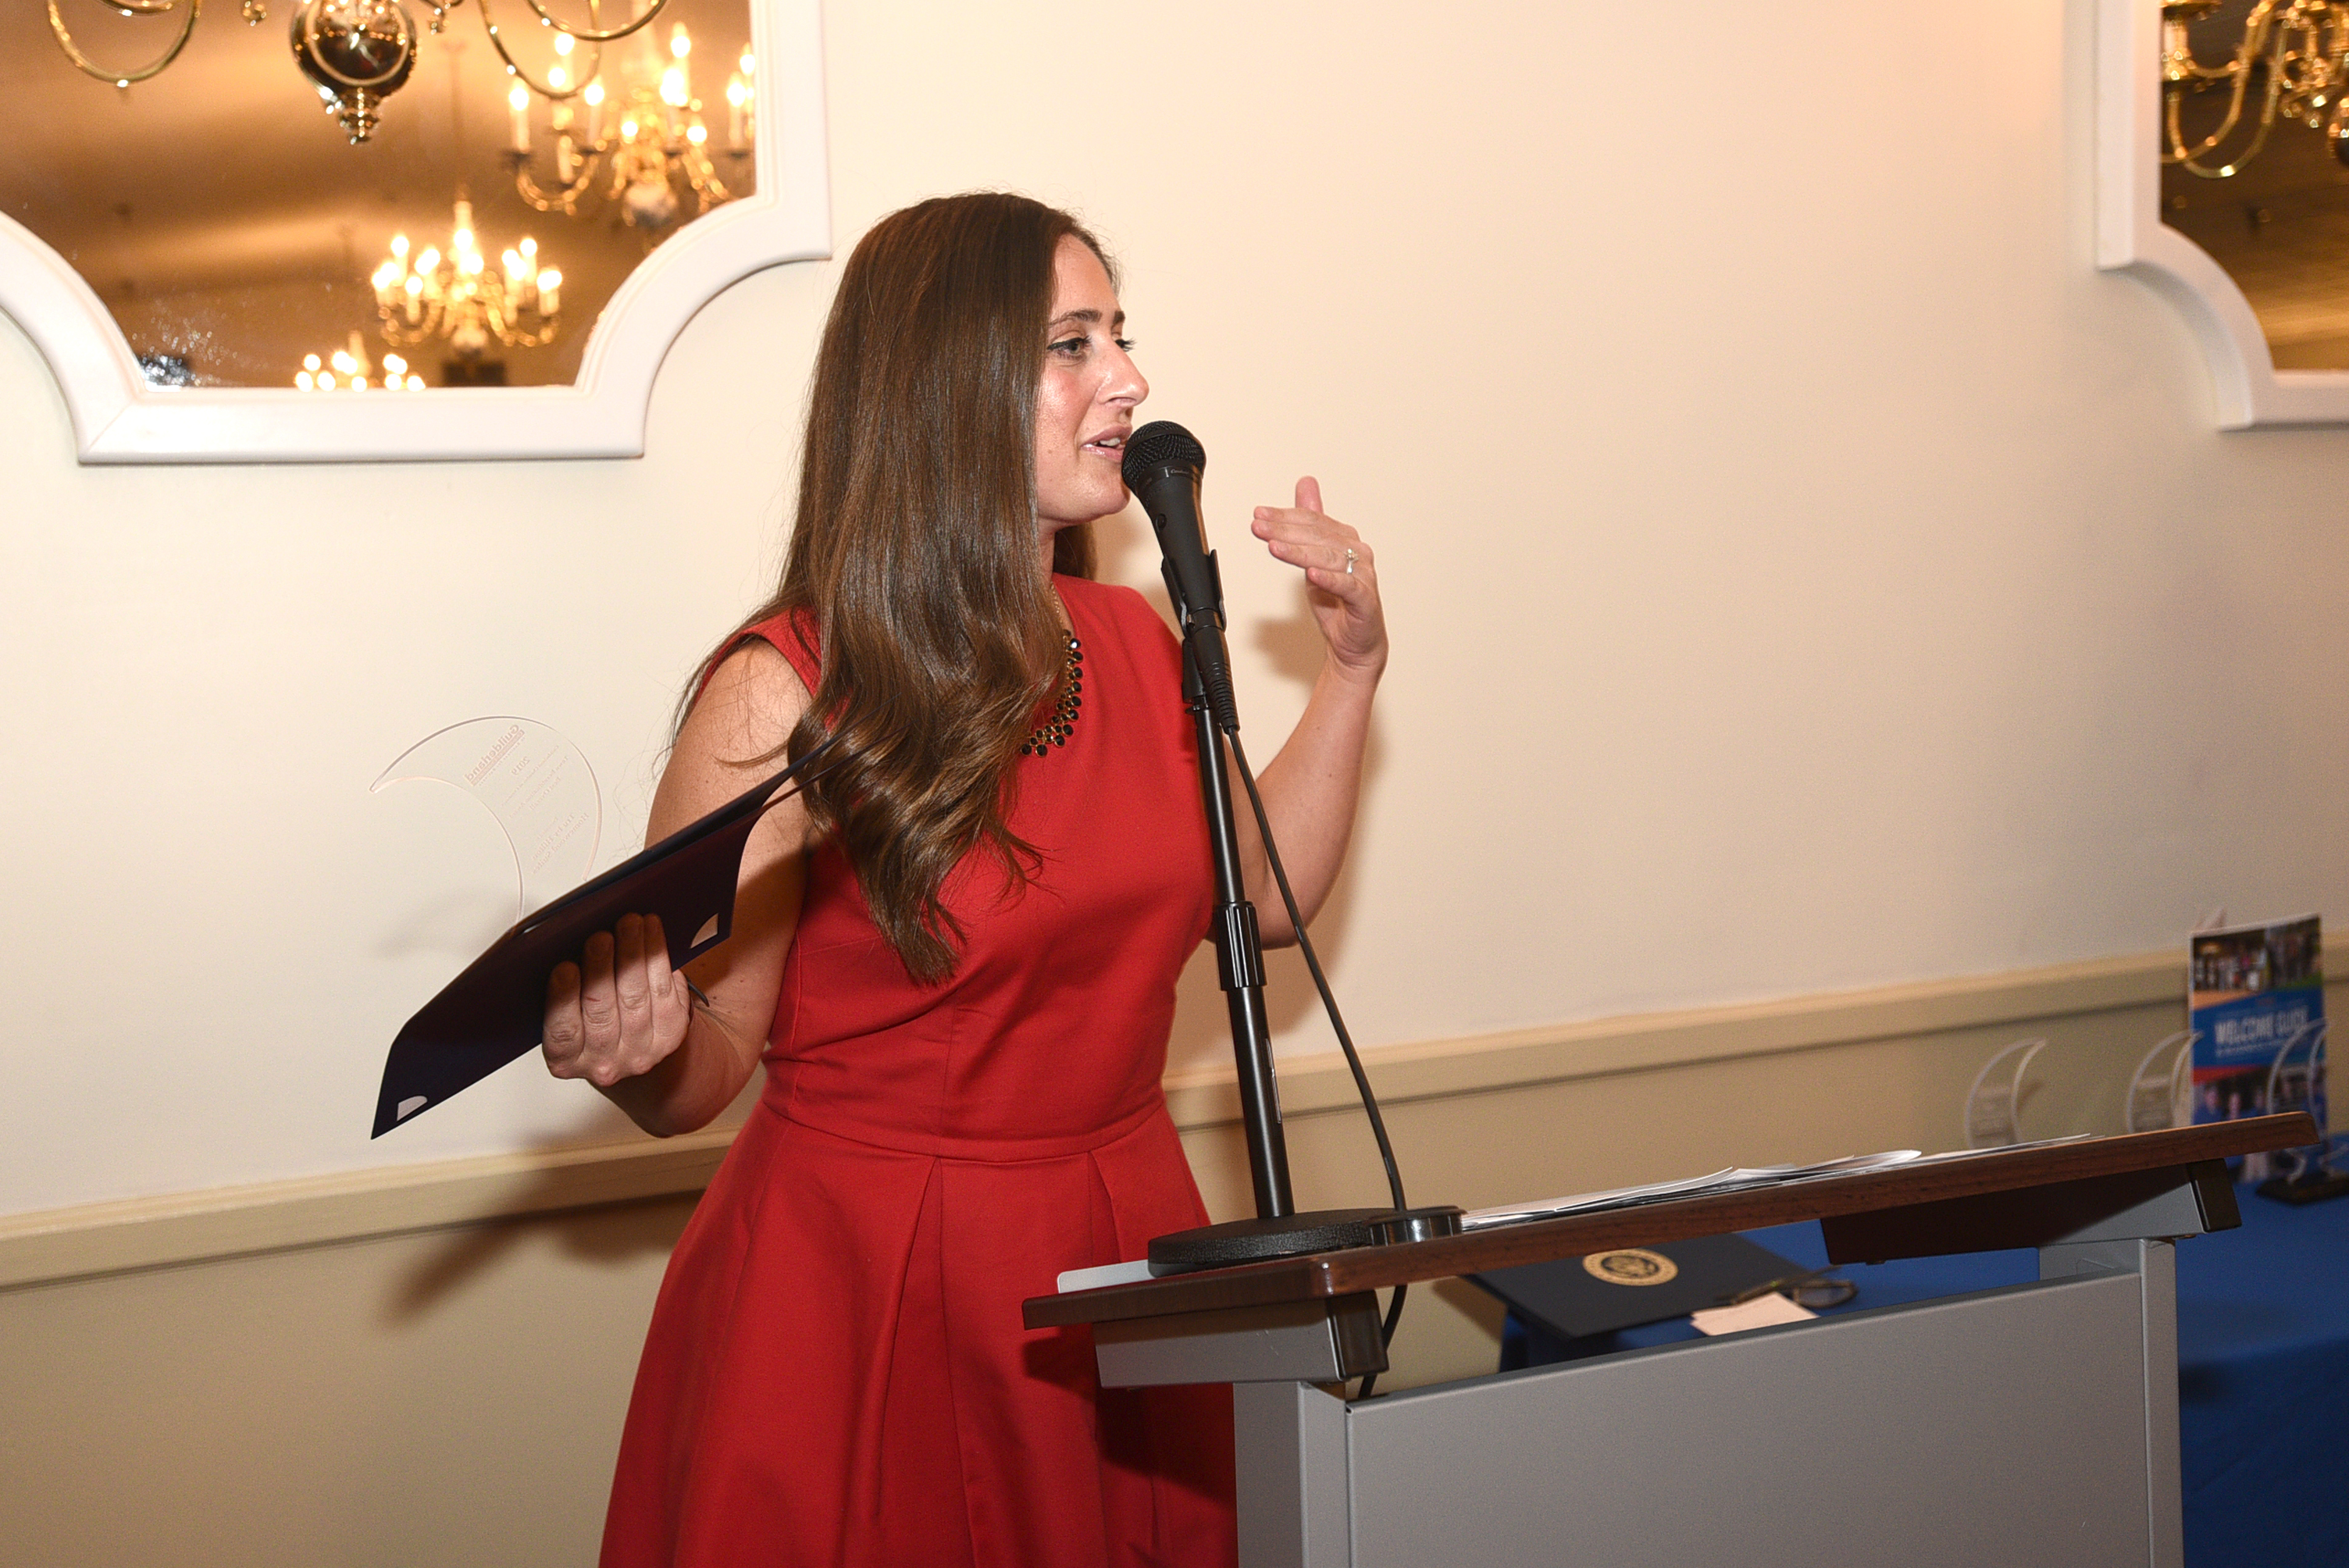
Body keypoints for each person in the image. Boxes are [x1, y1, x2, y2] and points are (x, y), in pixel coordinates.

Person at [540, 191, 1386, 1568]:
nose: (1131, 379)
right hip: (872, 1278)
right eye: (1074, 343)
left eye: (1120, 334)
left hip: (1128, 1244)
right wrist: (638, 1047)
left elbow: (1267, 899)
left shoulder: (1135, 638)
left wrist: (1349, 674)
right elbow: (704, 1070)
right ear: (946, 384)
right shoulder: (783, 690)